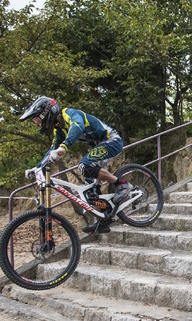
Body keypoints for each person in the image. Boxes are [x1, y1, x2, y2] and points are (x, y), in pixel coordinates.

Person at [20, 96, 130, 234]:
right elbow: (52, 149)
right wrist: (37, 167)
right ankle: (104, 219)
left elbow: (77, 127)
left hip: (111, 140)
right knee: (90, 193)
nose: (38, 124)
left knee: (84, 165)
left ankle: (122, 184)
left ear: (46, 112)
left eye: (37, 120)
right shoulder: (59, 129)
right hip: (98, 146)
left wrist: (64, 147)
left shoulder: (69, 114)